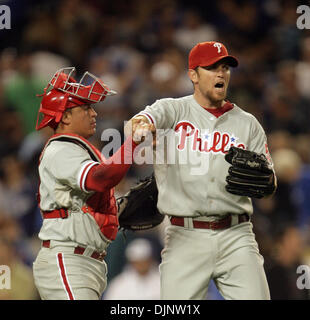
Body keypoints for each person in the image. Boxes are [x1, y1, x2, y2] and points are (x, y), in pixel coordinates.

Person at [126, 41, 276, 300]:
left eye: (225, 67)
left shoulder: (247, 123)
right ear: (193, 75)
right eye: (211, 68)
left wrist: (267, 182)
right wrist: (141, 130)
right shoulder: (173, 110)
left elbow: (269, 182)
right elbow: (140, 120)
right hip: (184, 235)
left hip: (236, 234)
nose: (221, 74)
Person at [32, 67, 154, 300]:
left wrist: (117, 210)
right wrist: (133, 142)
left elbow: (88, 202)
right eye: (85, 108)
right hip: (68, 258)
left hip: (87, 261)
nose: (94, 113)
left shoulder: (79, 150)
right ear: (65, 116)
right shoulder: (60, 148)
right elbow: (102, 178)